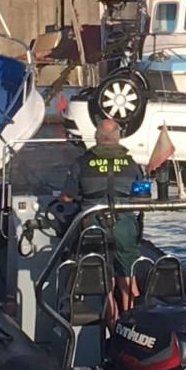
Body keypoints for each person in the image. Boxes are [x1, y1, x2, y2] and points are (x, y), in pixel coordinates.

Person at [60, 119, 145, 316]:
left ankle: (112, 322)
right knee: (128, 276)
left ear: (97, 137)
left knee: (104, 282)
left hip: (92, 225)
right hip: (124, 224)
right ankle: (130, 319)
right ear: (118, 137)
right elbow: (140, 195)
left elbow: (67, 197)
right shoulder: (131, 164)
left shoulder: (82, 163)